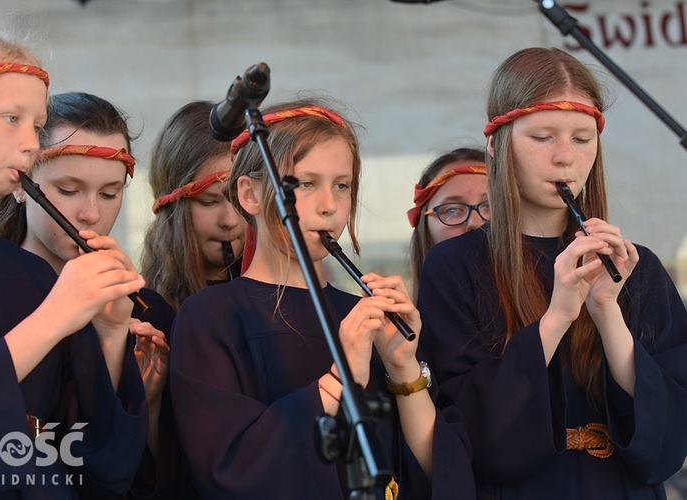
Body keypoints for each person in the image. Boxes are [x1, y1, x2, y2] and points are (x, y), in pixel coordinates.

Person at [169, 98, 475, 499]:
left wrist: (404, 371)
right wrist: (339, 379)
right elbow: (228, 470)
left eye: (342, 186)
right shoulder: (211, 317)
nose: (330, 205)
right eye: (305, 184)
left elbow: (436, 477)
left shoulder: (360, 317)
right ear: (250, 195)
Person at [417, 46, 687, 498]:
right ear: (496, 143)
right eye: (543, 137)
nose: (565, 157)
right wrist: (557, 317)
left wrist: (607, 312)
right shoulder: (455, 266)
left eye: (582, 139)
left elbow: (666, 446)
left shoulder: (637, 269)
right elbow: (468, 432)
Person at [0, 27, 148, 498]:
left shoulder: (35, 275)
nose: (31, 143)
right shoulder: (53, 295)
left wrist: (110, 333)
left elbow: (92, 459)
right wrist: (55, 316)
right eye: (11, 118)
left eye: (36, 125)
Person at [0, 91, 174, 499]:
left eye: (110, 194)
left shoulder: (148, 311)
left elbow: (167, 472)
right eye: (69, 190)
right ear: (22, 185)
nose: (91, 213)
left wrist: (149, 401)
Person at [142, 100, 246, 312]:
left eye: (241, 200)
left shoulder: (279, 301)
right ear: (171, 207)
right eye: (209, 202)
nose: (230, 220)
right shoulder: (143, 309)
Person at [407, 147, 487, 298]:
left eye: (490, 206)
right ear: (425, 230)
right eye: (452, 210)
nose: (475, 223)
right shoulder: (408, 320)